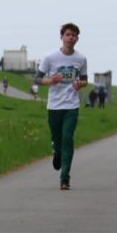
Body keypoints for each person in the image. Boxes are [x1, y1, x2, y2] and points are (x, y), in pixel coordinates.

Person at [33, 23, 88, 190]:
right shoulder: (50, 57)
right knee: (58, 139)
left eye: (74, 35)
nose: (71, 37)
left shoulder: (81, 59)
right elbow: (37, 79)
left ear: (77, 39)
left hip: (72, 104)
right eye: (68, 34)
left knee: (67, 138)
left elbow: (85, 80)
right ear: (62, 37)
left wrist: (81, 84)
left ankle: (65, 177)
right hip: (54, 105)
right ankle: (56, 152)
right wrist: (51, 80)